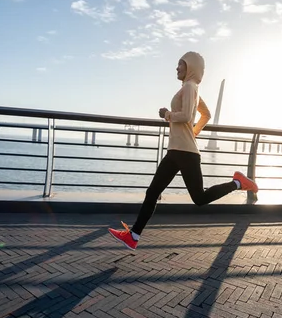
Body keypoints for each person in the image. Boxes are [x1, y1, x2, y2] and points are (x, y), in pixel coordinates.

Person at [108, 51, 258, 250]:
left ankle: (238, 182)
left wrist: (167, 114)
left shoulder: (189, 86)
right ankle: (134, 236)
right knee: (153, 192)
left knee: (199, 198)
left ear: (191, 67)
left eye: (181, 64)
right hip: (177, 150)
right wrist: (192, 133)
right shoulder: (192, 88)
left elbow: (187, 116)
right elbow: (206, 114)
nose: (177, 68)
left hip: (185, 153)